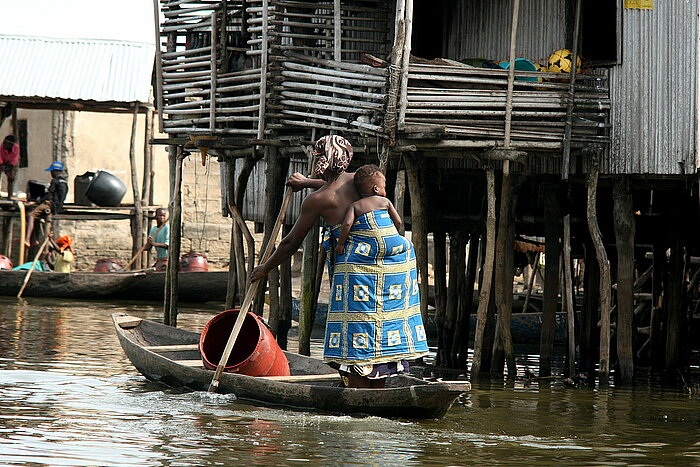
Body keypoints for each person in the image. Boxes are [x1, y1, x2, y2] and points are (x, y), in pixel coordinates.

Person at [250, 135, 429, 388]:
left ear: (319, 161)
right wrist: (307, 182)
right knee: (386, 320)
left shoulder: (319, 200)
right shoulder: (360, 180)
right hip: (397, 262)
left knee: (359, 324)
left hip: (359, 269)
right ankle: (379, 383)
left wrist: (265, 267)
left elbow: (291, 242)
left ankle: (359, 388)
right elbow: (338, 179)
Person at [335, 164, 402, 256]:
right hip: (392, 243)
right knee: (409, 246)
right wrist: (393, 235)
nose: (385, 190)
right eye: (384, 187)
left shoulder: (355, 206)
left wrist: (340, 244)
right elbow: (398, 221)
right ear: (376, 189)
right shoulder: (385, 202)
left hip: (369, 247)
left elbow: (347, 224)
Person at [24, 161, 69, 247]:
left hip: (51, 205)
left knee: (31, 215)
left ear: (56, 171)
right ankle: (34, 240)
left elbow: (49, 194)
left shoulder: (55, 181)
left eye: (52, 171)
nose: (51, 173)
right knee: (37, 216)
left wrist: (39, 201)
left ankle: (27, 239)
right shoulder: (64, 182)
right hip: (58, 206)